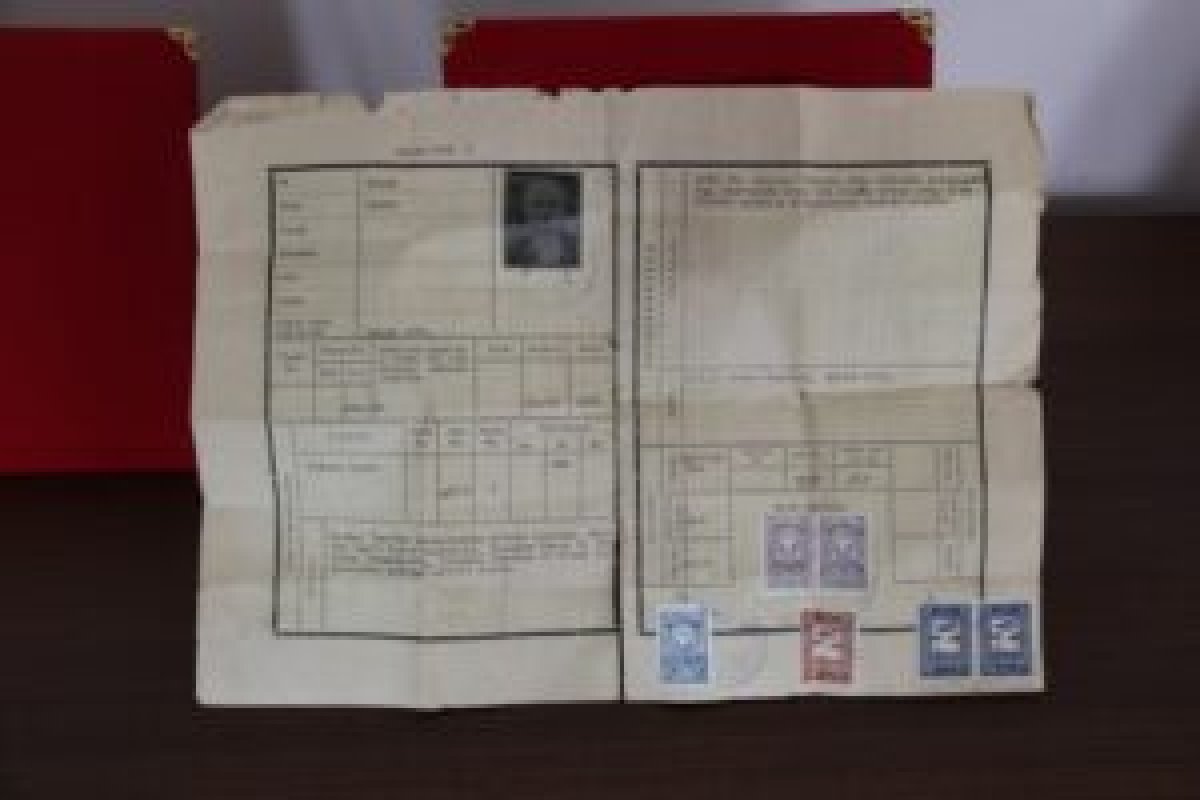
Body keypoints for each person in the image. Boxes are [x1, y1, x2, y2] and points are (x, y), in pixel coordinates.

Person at [505, 173, 579, 267]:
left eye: (552, 205)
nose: (545, 211)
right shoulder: (516, 244)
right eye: (538, 204)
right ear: (526, 209)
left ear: (562, 208)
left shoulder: (572, 242)